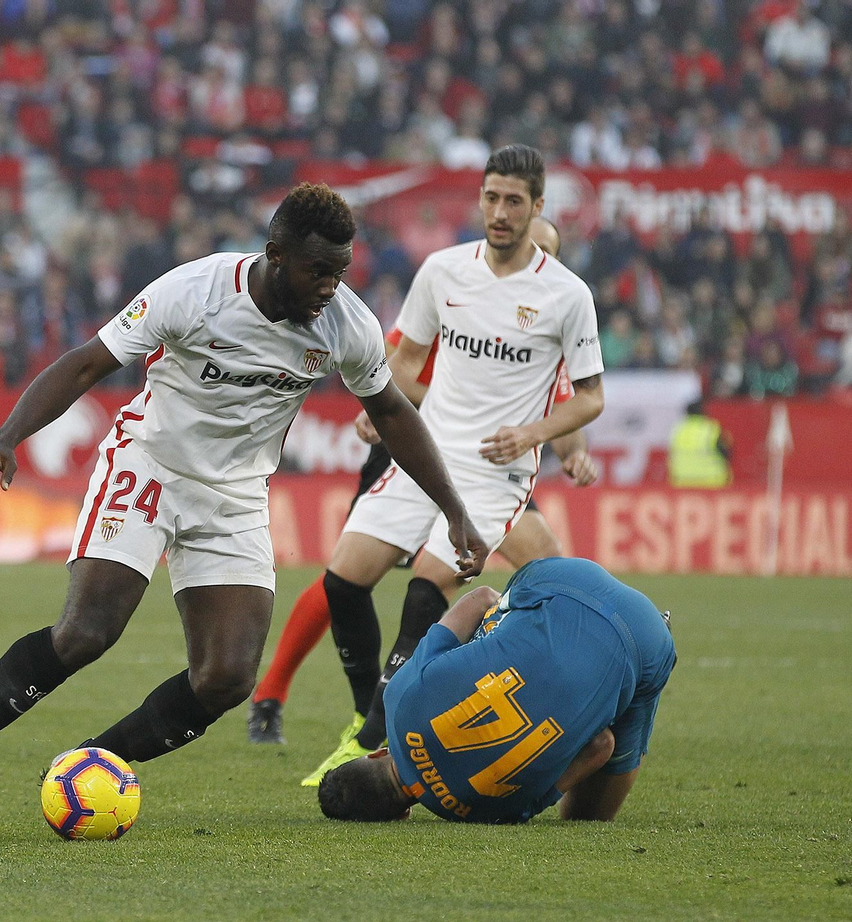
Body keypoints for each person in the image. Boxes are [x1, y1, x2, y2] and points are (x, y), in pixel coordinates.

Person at [0, 183, 488, 838]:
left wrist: (453, 510)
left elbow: (392, 412)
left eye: (340, 271)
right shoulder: (196, 292)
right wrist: (6, 439)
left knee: (226, 678)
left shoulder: (347, 324)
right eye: (318, 270)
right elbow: (87, 364)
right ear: (276, 256)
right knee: (87, 632)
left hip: (235, 495)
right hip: (151, 464)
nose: (330, 287)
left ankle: (91, 764)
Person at [293, 146, 607, 787]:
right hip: (426, 455)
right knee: (343, 580)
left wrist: (533, 434)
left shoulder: (566, 295)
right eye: (491, 197)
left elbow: (591, 397)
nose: (500, 211)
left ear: (537, 206)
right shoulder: (442, 271)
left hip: (496, 471)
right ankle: (365, 718)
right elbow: (406, 362)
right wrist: (380, 406)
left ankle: (375, 743)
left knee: (427, 585)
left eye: (514, 200)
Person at [317, 557, 675, 824]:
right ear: (376, 755)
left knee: (593, 800)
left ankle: (646, 636)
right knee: (484, 629)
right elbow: (479, 598)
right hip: (561, 578)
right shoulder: (398, 699)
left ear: (402, 813)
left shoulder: (487, 813)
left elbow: (601, 746)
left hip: (645, 644)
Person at [668, 400, 732, 488]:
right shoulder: (710, 429)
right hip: (711, 482)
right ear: (703, 411)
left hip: (683, 481)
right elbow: (726, 452)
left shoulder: (678, 430)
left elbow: (671, 456)